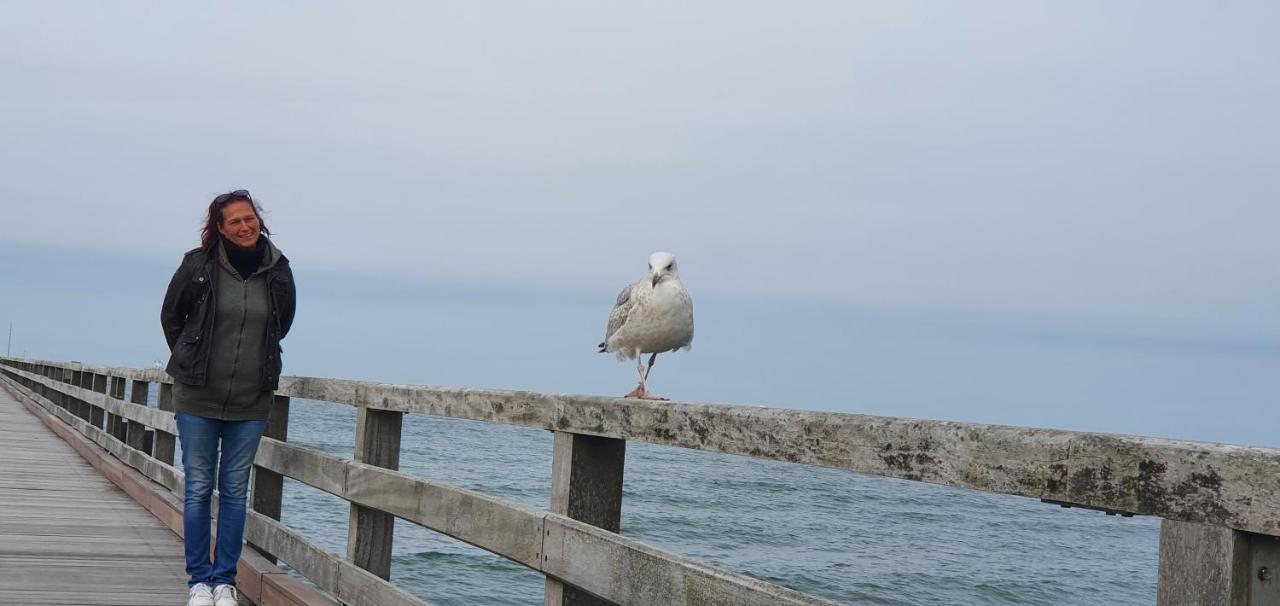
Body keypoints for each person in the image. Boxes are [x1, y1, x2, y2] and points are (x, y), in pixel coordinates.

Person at [160, 190, 296, 606]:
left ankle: (225, 582)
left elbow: (282, 324)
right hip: (198, 396)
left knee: (235, 490)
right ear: (219, 228)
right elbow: (172, 317)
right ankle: (199, 582)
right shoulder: (197, 265)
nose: (244, 226)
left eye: (249, 217)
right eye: (234, 221)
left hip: (250, 401)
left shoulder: (278, 269)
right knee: (199, 487)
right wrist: (191, 357)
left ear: (259, 219)